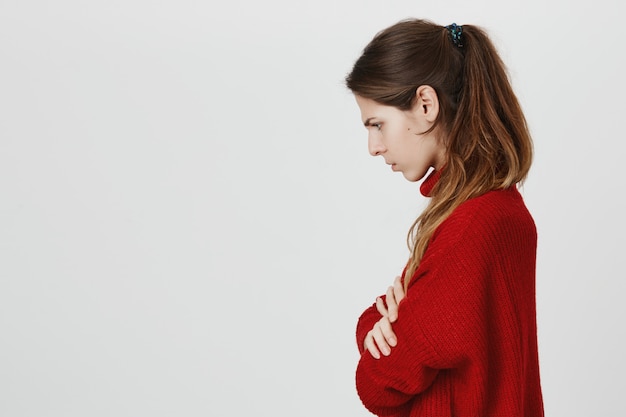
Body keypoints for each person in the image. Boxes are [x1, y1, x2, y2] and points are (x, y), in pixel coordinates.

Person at [345, 19, 544, 416]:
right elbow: (374, 318)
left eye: (377, 124)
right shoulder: (491, 211)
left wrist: (389, 328)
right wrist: (385, 324)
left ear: (425, 105)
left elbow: (378, 384)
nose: (373, 146)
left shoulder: (471, 226)